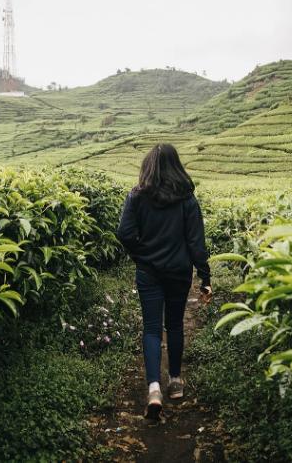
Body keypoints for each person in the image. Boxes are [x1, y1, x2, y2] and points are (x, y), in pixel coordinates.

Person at [116, 143, 212, 420]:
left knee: (152, 328)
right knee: (175, 324)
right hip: (179, 272)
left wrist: (141, 254)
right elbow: (196, 243)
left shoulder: (136, 197)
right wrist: (205, 275)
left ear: (148, 167)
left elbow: (124, 233)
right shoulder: (187, 200)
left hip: (149, 272)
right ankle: (176, 381)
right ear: (177, 166)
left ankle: (154, 389)